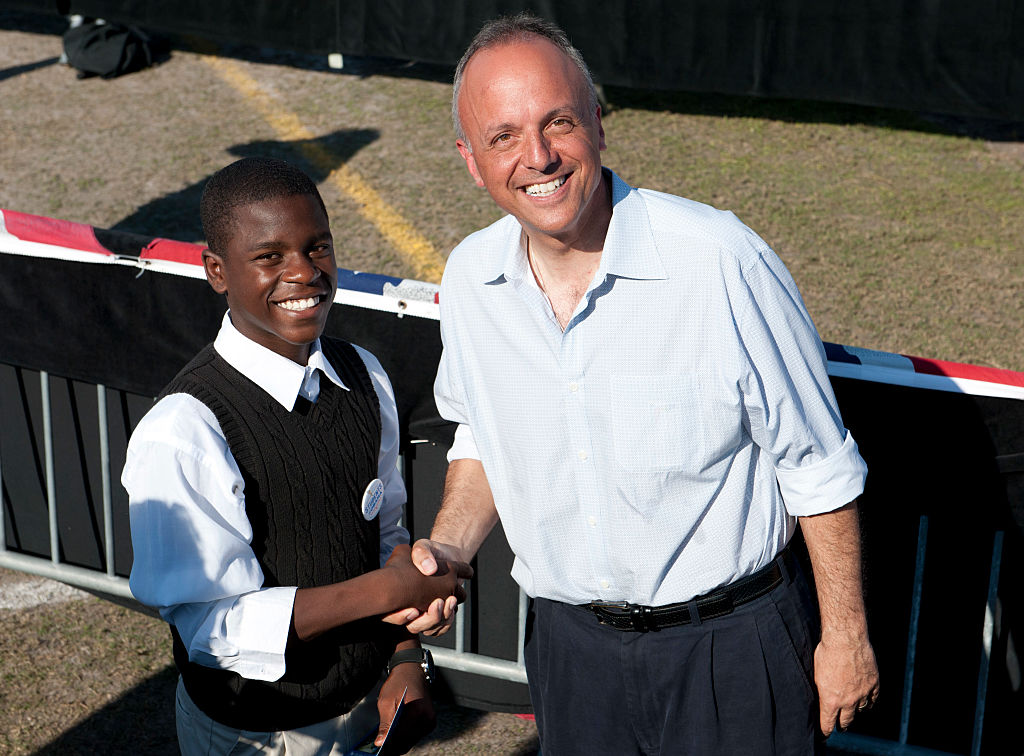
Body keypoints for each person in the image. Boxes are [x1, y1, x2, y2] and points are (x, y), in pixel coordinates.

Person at [407, 13, 880, 755]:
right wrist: (449, 547)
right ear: (472, 160)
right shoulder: (471, 278)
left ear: (597, 122)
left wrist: (845, 638)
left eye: (557, 122)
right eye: (503, 137)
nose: (537, 157)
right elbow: (483, 436)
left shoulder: (720, 262)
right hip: (572, 654)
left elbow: (816, 466)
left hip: (730, 651)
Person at [122, 156, 470, 755]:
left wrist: (406, 658)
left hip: (365, 705)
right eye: (269, 257)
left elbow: (385, 531)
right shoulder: (184, 430)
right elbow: (210, 628)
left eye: (318, 248)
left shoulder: (366, 375)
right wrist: (387, 594)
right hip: (258, 732)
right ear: (216, 271)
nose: (304, 273)